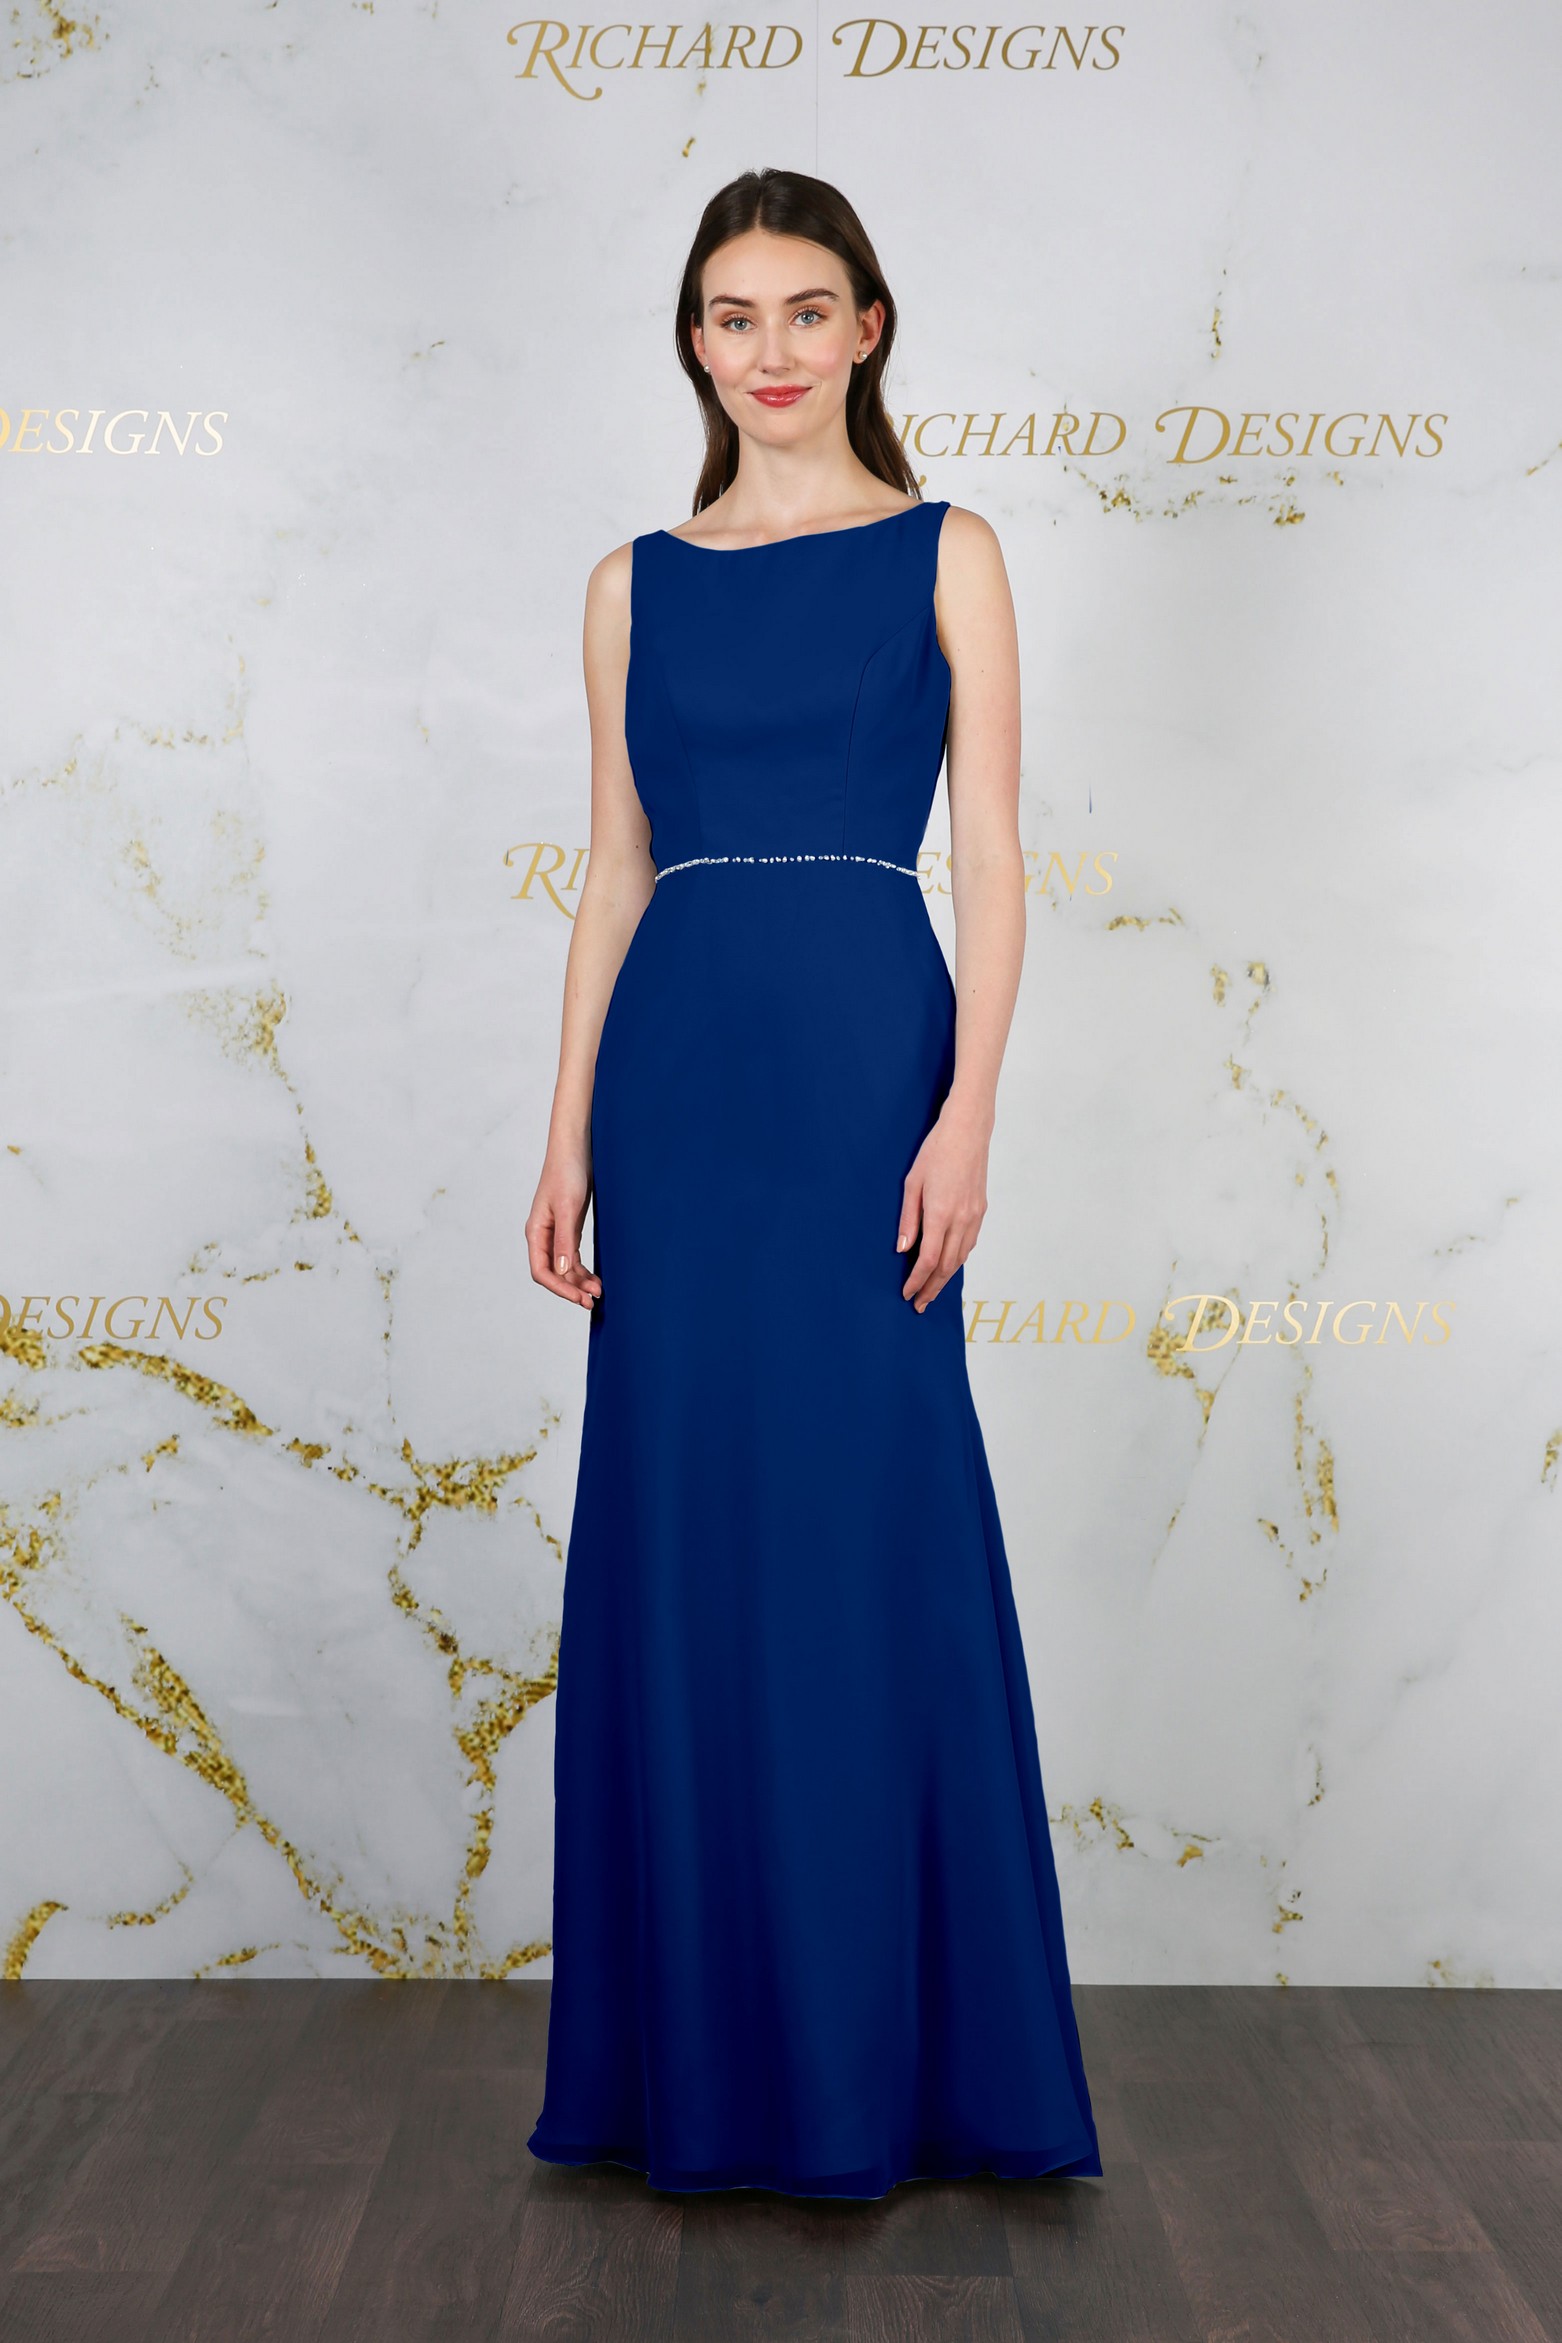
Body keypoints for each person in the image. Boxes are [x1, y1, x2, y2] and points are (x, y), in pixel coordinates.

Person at [523, 166, 1101, 2199]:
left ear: (867, 327)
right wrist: (565, 1130)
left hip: (870, 1068)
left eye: (800, 309)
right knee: (683, 1528)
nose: (764, 351)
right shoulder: (631, 583)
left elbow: (997, 859)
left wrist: (968, 1113)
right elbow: (614, 870)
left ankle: (899, 2065)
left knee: (868, 1524)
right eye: (727, 314)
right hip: (677, 1088)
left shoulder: (951, 550)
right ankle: (687, 2070)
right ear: (692, 342)